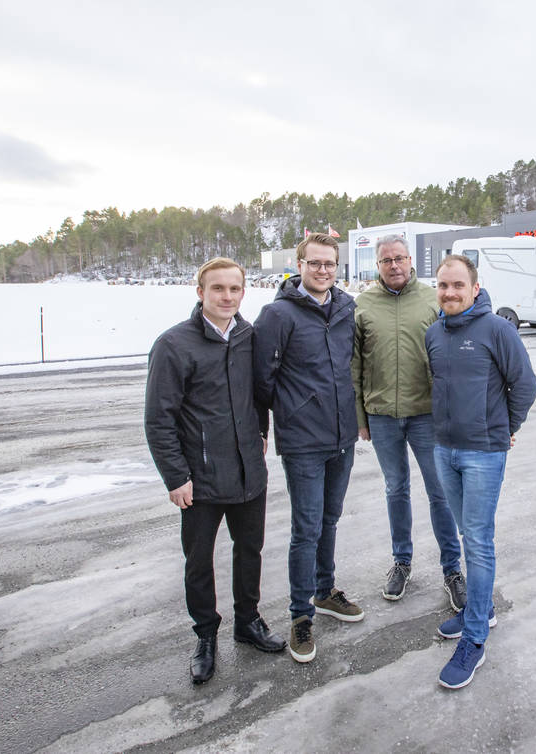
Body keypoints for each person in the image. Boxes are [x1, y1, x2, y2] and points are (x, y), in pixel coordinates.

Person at [144, 257, 286, 686]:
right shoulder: (174, 345)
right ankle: (206, 636)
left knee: (250, 551)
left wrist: (262, 431)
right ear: (200, 291)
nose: (227, 297)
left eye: (235, 289)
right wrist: (176, 477)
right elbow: (158, 419)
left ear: (244, 293)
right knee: (199, 561)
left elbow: (260, 393)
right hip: (200, 479)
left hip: (249, 472)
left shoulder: (248, 337)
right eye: (218, 289)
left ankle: (248, 622)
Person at [425, 254, 536, 690]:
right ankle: (480, 607)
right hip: (444, 450)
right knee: (463, 531)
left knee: (477, 540)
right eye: (442, 285)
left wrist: (508, 427)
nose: (449, 292)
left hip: (483, 453)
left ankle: (475, 638)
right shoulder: (434, 334)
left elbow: (524, 384)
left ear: (475, 288)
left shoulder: (497, 330)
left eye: (457, 285)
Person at [254, 232, 363, 664]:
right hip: (303, 440)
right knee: (306, 528)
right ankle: (301, 615)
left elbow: (349, 364)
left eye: (330, 264)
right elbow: (262, 379)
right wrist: (286, 414)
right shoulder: (277, 315)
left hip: (342, 436)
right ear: (298, 265)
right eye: (314, 263)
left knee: (330, 519)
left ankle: (324, 590)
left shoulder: (345, 308)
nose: (323, 271)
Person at [352, 235, 466, 609]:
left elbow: (453, 355)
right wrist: (360, 416)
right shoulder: (363, 305)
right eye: (387, 260)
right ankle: (401, 562)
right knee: (396, 489)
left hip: (426, 415)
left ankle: (452, 569)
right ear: (377, 265)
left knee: (440, 493)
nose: (395, 265)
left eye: (400, 258)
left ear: (410, 260)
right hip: (382, 415)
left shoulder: (431, 299)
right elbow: (355, 365)